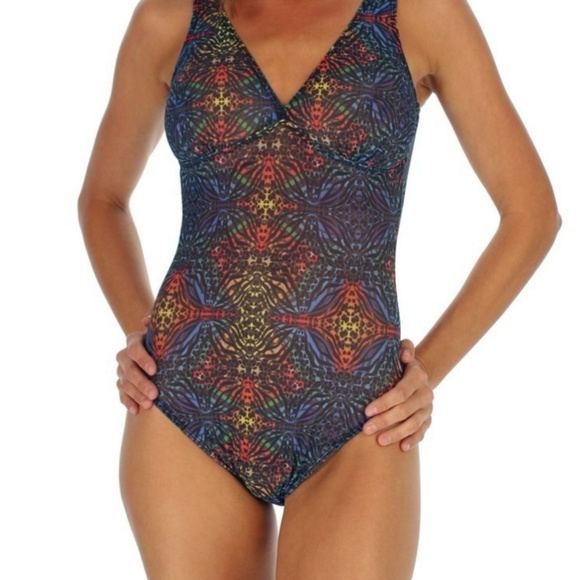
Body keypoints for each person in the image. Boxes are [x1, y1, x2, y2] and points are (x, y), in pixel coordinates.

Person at [78, 0, 561, 577]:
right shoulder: (171, 18)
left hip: (359, 416)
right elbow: (102, 199)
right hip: (184, 404)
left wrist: (427, 371)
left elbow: (532, 214)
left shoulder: (418, 14)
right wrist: (140, 331)